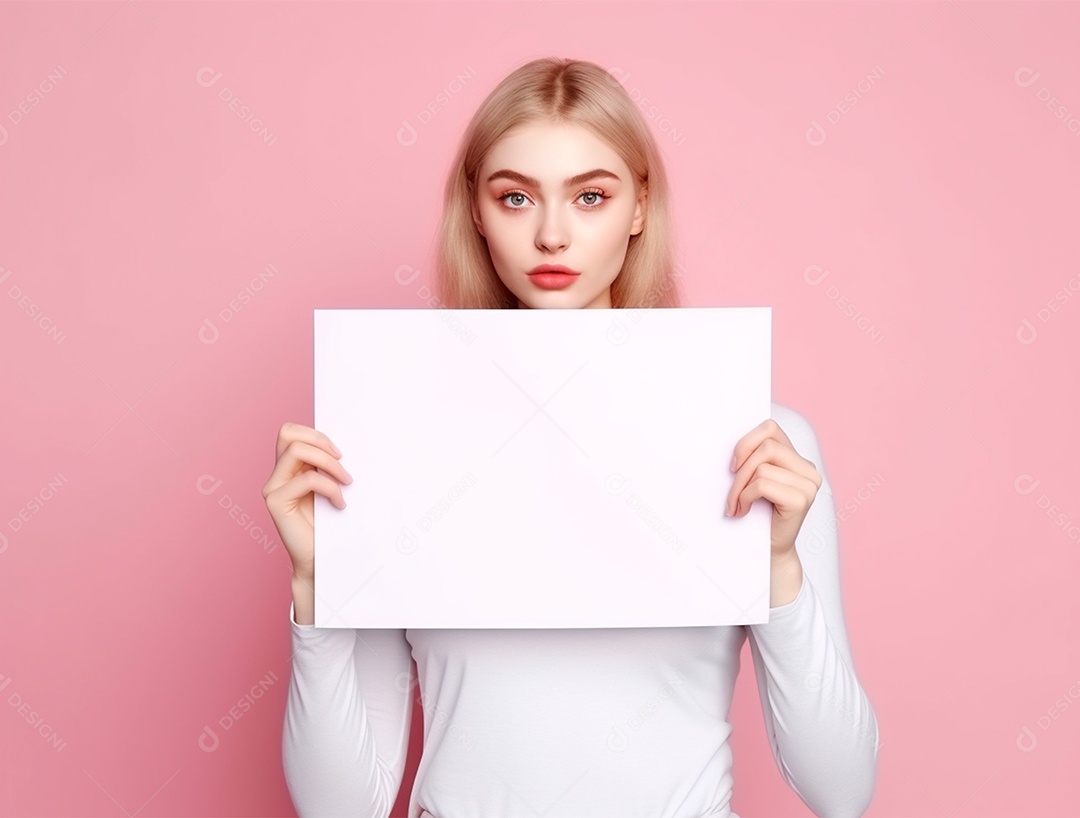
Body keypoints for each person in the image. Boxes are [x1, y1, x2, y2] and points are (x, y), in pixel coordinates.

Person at [264, 57, 879, 818]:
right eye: (516, 197)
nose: (552, 234)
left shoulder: (764, 444)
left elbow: (842, 790)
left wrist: (780, 569)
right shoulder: (396, 441)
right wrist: (317, 589)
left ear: (638, 208)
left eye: (590, 196)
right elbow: (339, 807)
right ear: (478, 213)